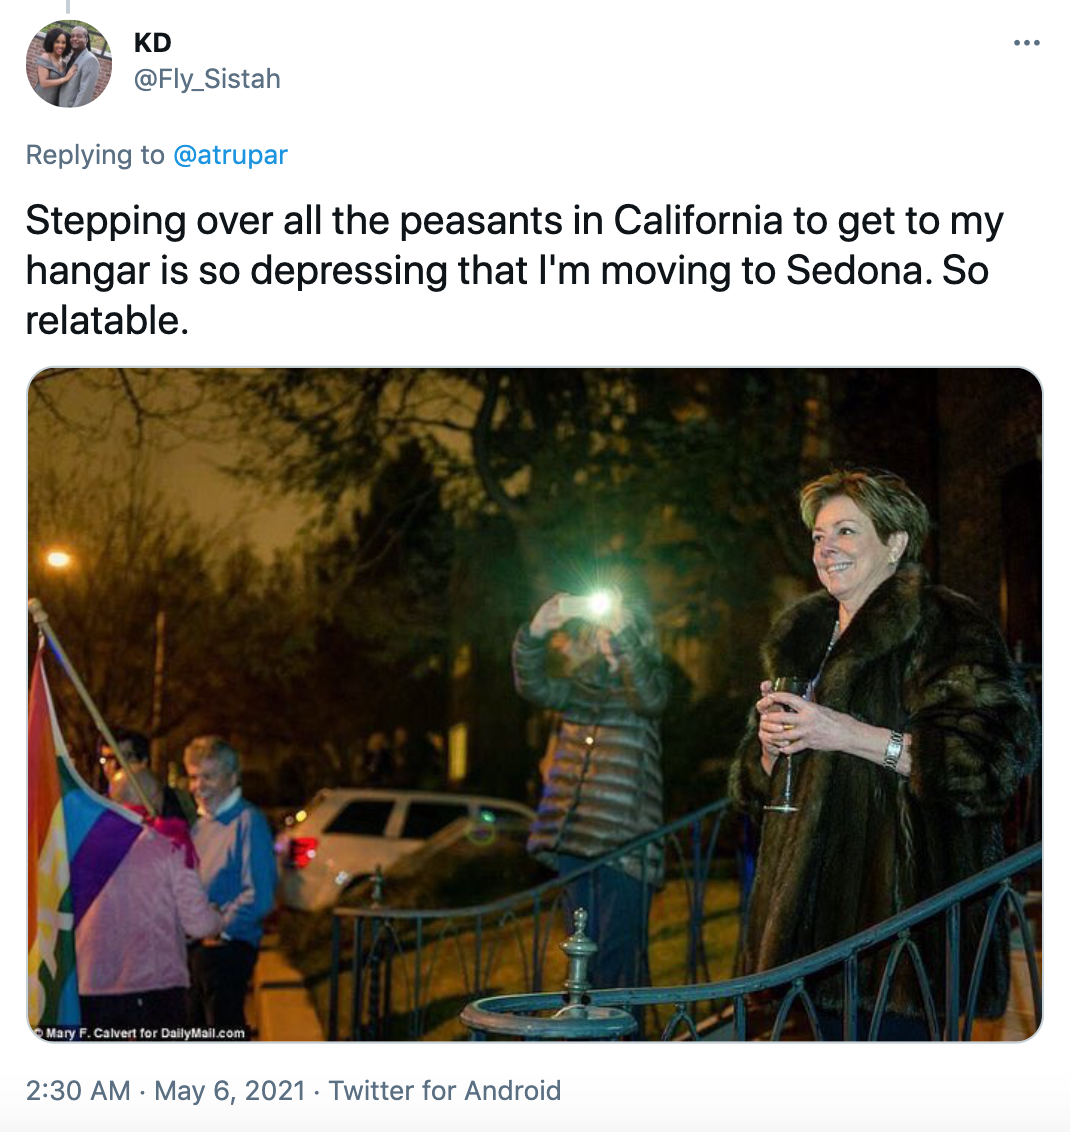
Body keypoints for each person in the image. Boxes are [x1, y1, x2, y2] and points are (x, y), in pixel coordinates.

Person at [729, 468, 1038, 1040]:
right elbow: (756, 786)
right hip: (807, 937)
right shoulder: (802, 634)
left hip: (904, 939)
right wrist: (770, 752)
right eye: (819, 536)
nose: (826, 549)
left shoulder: (945, 623)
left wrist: (848, 733)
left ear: (894, 543)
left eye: (846, 531)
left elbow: (986, 766)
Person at [513, 585, 669, 988]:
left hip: (624, 850)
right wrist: (535, 631)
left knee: (618, 961)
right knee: (580, 960)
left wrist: (623, 635)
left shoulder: (649, 685)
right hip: (574, 842)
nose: (606, 634)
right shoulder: (581, 688)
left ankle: (621, 1043)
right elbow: (532, 686)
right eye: (604, 628)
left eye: (617, 627)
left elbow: (650, 695)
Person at [77, 773, 222, 1039]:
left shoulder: (81, 845)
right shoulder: (169, 845)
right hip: (155, 985)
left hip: (90, 987)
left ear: (111, 799)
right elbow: (199, 924)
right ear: (155, 799)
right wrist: (219, 918)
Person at [183, 736, 277, 1038]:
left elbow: (259, 894)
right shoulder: (200, 826)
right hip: (196, 949)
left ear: (233, 777)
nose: (199, 786)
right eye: (193, 777)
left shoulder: (249, 822)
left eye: (208, 776)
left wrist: (218, 927)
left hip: (225, 951)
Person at [99, 727, 193, 823]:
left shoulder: (178, 803)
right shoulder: (97, 807)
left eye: (125, 757)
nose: (115, 765)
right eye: (108, 759)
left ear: (144, 761)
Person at [57, 26, 99, 108]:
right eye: (72, 36)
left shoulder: (90, 60)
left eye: (79, 36)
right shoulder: (71, 56)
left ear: (86, 39)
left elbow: (85, 93)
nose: (75, 38)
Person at [33, 28, 77, 105]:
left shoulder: (63, 63)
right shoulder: (46, 57)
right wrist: (65, 78)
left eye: (63, 43)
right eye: (57, 42)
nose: (60, 45)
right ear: (51, 42)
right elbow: (43, 83)